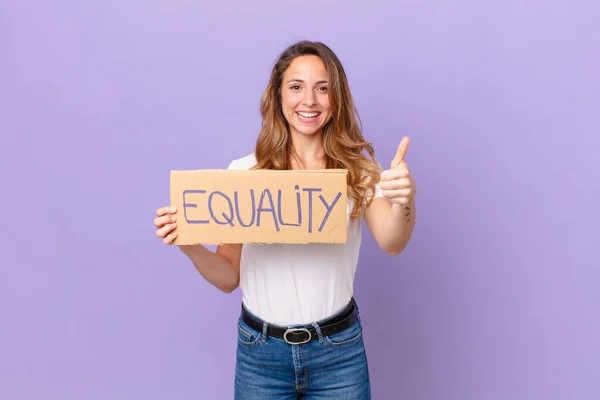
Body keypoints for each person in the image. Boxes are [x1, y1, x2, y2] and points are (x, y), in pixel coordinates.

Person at [153, 40, 416, 399]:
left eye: (322, 88)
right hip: (261, 353)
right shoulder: (245, 173)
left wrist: (404, 199)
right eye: (296, 87)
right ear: (278, 96)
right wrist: (189, 246)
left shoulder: (357, 171)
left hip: (338, 351)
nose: (309, 100)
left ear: (336, 97)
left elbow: (392, 240)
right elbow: (229, 276)